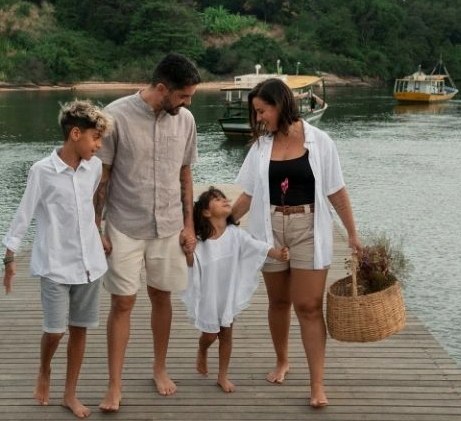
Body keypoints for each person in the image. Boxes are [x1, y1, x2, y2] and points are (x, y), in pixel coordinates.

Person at [230, 78, 363, 408]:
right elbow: (248, 195)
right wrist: (222, 225)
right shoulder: (260, 147)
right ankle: (282, 360)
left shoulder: (320, 141)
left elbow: (336, 191)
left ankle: (317, 384)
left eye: (262, 110)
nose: (259, 118)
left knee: (308, 305)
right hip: (269, 228)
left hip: (308, 227)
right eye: (256, 112)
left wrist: (352, 234)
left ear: (280, 104)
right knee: (278, 302)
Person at [93, 53, 201, 412]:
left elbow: (185, 174)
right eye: (183, 96)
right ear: (162, 88)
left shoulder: (185, 120)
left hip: (169, 225)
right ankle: (114, 384)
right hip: (124, 224)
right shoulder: (116, 116)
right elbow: (102, 178)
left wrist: (189, 225)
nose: (188, 103)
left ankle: (159, 368)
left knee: (161, 295)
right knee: (122, 302)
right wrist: (96, 227)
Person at [1, 100, 114, 418]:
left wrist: (99, 232)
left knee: (80, 328)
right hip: (55, 264)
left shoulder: (94, 167)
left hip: (90, 263)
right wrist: (9, 258)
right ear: (76, 134)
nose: (98, 145)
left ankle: (69, 394)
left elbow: (90, 205)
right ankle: (44, 369)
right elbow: (24, 213)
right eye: (95, 137)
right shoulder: (42, 171)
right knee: (55, 331)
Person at [180, 187, 289, 393]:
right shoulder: (201, 241)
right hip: (208, 295)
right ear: (206, 212)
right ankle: (202, 349)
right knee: (210, 335)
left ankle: (222, 375)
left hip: (227, 293)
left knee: (226, 334)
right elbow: (191, 263)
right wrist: (187, 251)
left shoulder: (236, 234)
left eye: (224, 198)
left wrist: (276, 253)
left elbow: (257, 246)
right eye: (217, 199)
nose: (224, 200)